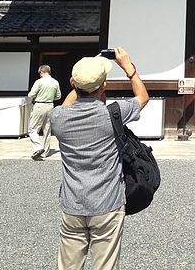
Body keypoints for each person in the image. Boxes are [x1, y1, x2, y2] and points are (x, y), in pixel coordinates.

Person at [50, 46, 149, 270]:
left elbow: (68, 103)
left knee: (67, 266)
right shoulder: (112, 113)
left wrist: (87, 69)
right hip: (107, 202)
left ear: (72, 83)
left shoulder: (58, 117)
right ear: (104, 86)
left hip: (72, 203)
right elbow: (142, 97)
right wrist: (128, 68)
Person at [27, 64, 61, 158]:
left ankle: (38, 147)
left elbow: (31, 94)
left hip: (39, 105)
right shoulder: (55, 82)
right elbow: (58, 96)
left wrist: (33, 97)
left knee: (32, 129)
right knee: (47, 129)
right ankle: (45, 152)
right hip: (50, 105)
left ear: (42, 71)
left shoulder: (39, 82)